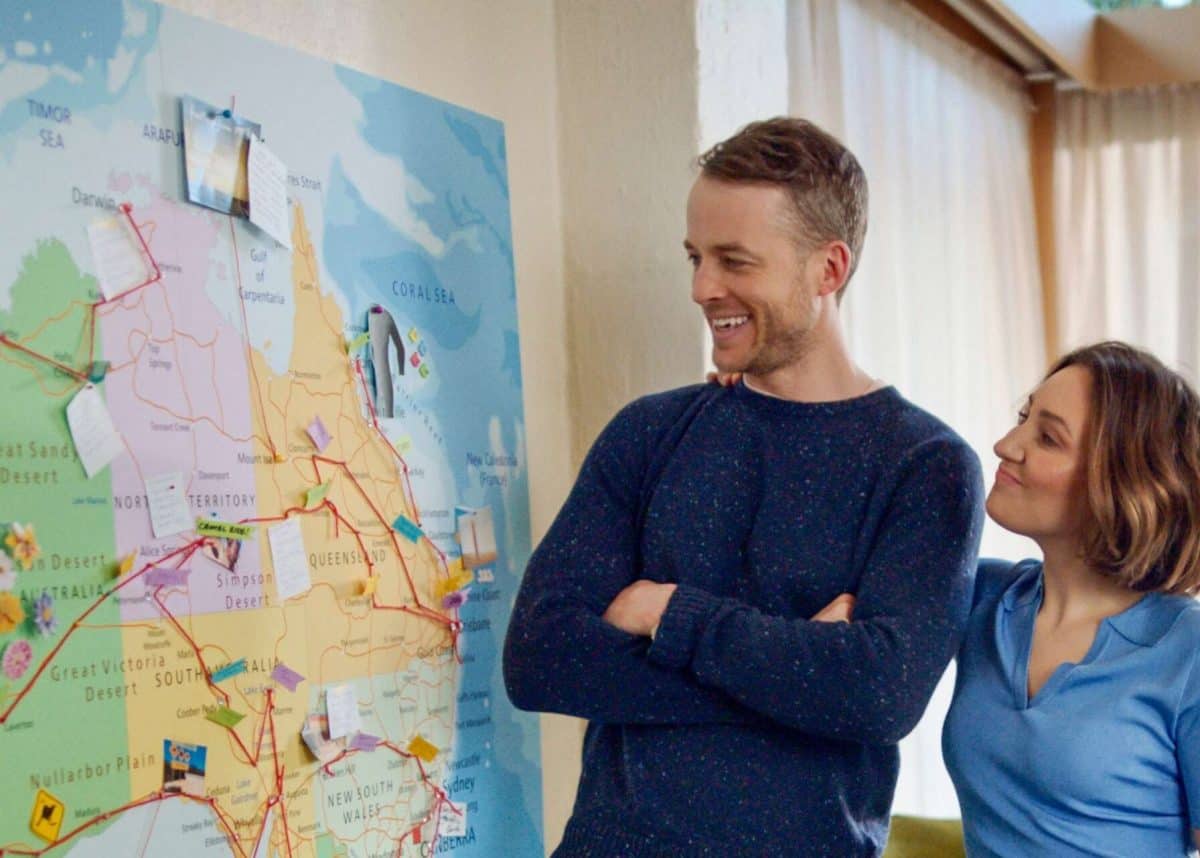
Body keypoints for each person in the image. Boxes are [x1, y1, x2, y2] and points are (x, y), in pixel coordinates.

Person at [502, 116, 984, 857]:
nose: (703, 288)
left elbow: (880, 696)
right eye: (695, 257)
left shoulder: (925, 465)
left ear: (828, 269)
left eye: (734, 261)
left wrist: (671, 615)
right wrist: (800, 667)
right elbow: (541, 659)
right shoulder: (649, 431)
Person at [940, 341, 1200, 856]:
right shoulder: (980, 597)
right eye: (1023, 417)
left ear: (1123, 481)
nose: (1006, 445)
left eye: (1048, 438)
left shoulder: (1187, 651)